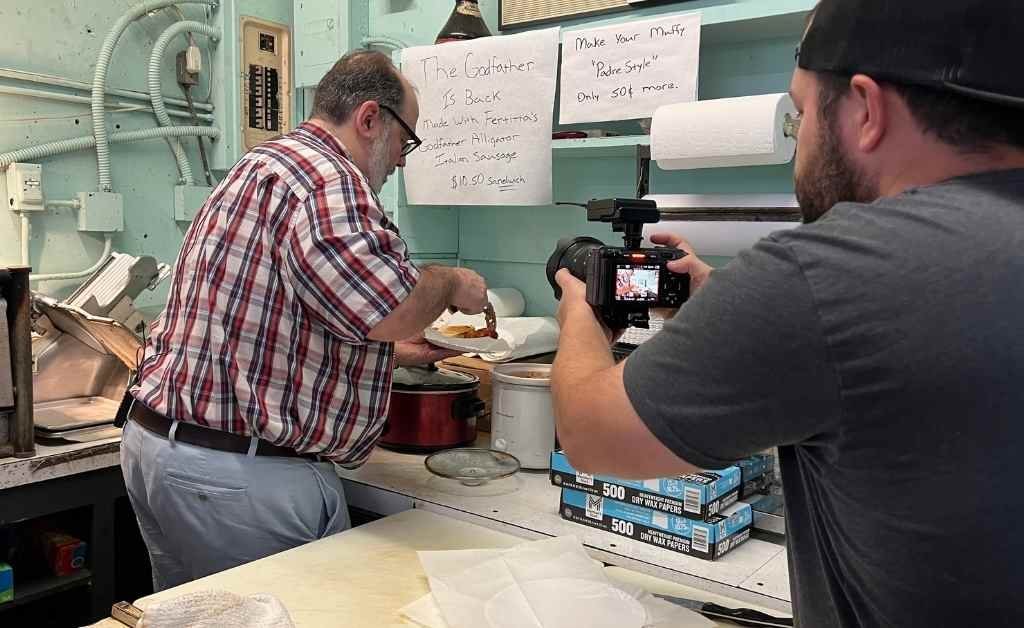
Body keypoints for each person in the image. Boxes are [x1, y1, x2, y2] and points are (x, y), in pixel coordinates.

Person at [551, 1, 1024, 626]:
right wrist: (730, 303)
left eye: (800, 114)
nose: (797, 138)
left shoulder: (830, 271)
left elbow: (591, 433)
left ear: (866, 109)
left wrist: (581, 306)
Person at [120, 50, 486, 590]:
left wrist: (391, 351)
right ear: (368, 119)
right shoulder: (329, 179)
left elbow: (273, 316)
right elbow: (392, 304)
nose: (403, 160)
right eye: (405, 140)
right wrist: (452, 283)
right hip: (240, 477)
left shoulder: (263, 164)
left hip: (162, 451)